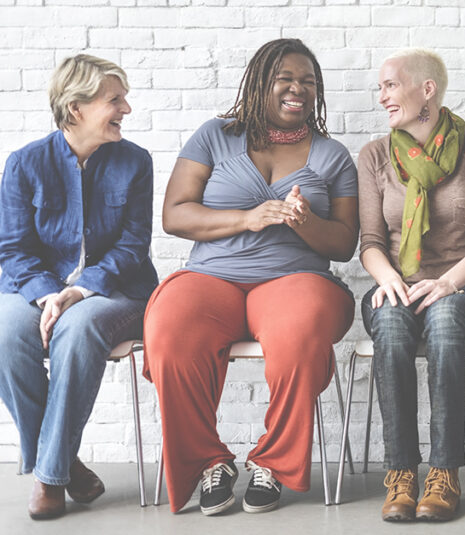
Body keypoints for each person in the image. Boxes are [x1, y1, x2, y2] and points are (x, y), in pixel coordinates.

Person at [142, 38, 358, 515]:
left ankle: (274, 465)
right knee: (169, 331)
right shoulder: (214, 136)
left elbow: (344, 244)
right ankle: (207, 463)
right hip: (211, 276)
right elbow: (175, 215)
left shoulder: (333, 155)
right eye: (285, 78)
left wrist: (306, 223)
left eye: (308, 81)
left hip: (295, 277)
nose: (297, 89)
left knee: (300, 333)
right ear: (261, 83)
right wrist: (247, 217)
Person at [0, 54, 157, 520]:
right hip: (36, 290)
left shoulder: (135, 162)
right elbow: (12, 248)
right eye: (115, 100)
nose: (126, 109)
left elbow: (133, 245)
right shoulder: (24, 164)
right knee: (6, 334)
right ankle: (65, 460)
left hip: (116, 293)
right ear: (76, 109)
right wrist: (51, 293)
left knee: (77, 328)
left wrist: (79, 290)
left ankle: (49, 478)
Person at [358, 48, 465, 522]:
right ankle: (401, 473)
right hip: (398, 284)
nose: (382, 97)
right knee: (394, 326)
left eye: (390, 85)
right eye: (380, 87)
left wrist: (445, 282)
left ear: (427, 90)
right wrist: (390, 282)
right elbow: (371, 242)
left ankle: (444, 472)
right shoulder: (375, 155)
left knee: (443, 319)